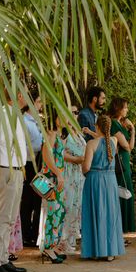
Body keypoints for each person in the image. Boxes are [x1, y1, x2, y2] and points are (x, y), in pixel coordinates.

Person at [0, 89, 29, 272]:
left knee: (10, 218)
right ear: (18, 95)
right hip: (4, 169)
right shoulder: (2, 115)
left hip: (16, 170)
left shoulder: (16, 116)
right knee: (2, 217)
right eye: (25, 93)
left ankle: (2, 258)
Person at [81, 115, 125, 260]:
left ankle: (95, 250)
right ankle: (110, 252)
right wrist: (92, 132)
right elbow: (104, 139)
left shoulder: (91, 144)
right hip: (110, 180)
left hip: (95, 179)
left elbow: (86, 167)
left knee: (96, 212)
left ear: (96, 126)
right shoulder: (114, 141)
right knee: (110, 213)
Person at [38, 107, 67, 264]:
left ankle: (54, 245)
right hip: (50, 178)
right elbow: (46, 154)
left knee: (60, 211)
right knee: (52, 212)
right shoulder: (50, 133)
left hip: (57, 178)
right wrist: (57, 173)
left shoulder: (57, 135)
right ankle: (48, 248)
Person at [61, 106, 86, 254]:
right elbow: (58, 152)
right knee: (67, 205)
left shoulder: (77, 132)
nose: (74, 115)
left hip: (78, 174)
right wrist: (75, 159)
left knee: (76, 206)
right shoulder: (63, 133)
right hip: (68, 172)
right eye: (71, 112)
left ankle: (71, 239)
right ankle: (63, 241)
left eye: (76, 112)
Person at [19, 93, 43, 250]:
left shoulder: (36, 121)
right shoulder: (24, 122)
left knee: (38, 199)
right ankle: (26, 235)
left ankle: (35, 233)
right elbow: (26, 145)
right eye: (39, 101)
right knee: (27, 200)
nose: (41, 104)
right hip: (28, 163)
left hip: (38, 163)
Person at [110, 97, 136, 234]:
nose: (127, 110)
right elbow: (126, 146)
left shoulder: (120, 124)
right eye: (125, 107)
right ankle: (120, 228)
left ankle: (124, 228)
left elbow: (130, 147)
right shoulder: (114, 124)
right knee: (122, 191)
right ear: (118, 108)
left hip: (125, 161)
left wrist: (133, 131)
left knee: (127, 191)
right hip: (119, 163)